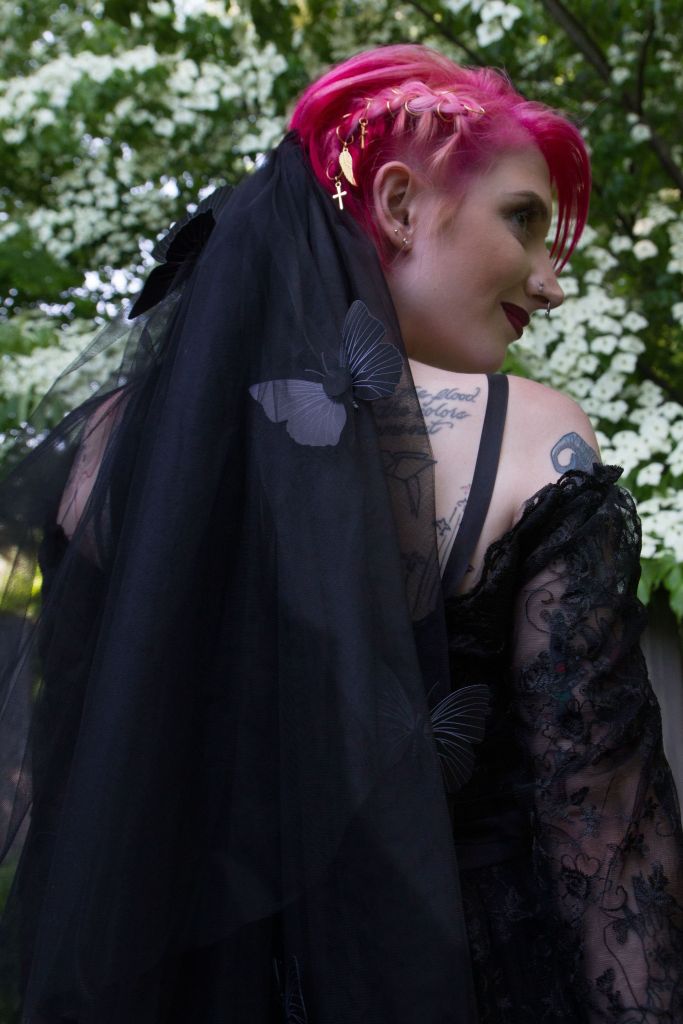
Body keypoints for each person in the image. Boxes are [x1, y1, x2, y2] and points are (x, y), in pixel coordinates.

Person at [0, 42, 680, 1024]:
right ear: (398, 205)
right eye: (522, 220)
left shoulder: (118, 442)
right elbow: (606, 831)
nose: (549, 284)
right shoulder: (531, 435)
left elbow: (82, 784)